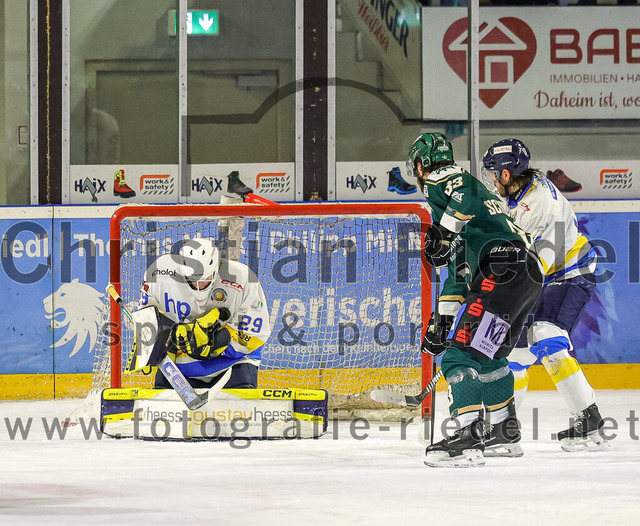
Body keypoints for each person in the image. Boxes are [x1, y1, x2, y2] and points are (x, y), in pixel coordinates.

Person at [407, 132, 543, 467]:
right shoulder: (474, 218)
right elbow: (459, 277)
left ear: (421, 166)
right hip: (525, 272)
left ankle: (468, 436)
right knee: (488, 354)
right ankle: (504, 431)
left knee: (458, 356)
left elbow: (463, 194)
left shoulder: (443, 178)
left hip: (502, 267)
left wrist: (443, 232)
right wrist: (442, 321)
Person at [482, 138, 607, 452]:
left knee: (545, 333)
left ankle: (589, 419)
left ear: (507, 174)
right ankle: (503, 427)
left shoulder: (539, 206)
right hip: (543, 272)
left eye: (494, 173)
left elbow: (535, 270)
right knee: (513, 353)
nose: (492, 180)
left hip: (570, 272)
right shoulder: (518, 192)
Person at [139, 237, 271, 390]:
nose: (199, 286)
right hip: (178, 367)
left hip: (232, 364)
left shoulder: (243, 278)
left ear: (215, 269)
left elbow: (256, 333)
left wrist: (217, 344)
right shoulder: (158, 273)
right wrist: (155, 344)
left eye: (205, 279)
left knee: (241, 405)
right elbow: (148, 318)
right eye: (192, 280)